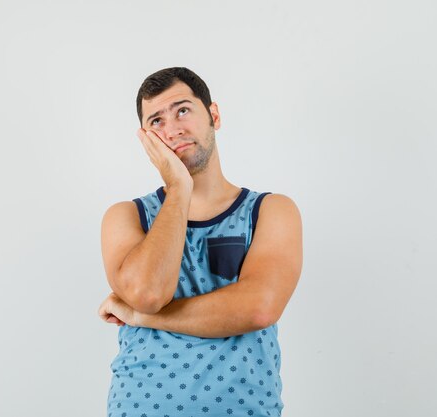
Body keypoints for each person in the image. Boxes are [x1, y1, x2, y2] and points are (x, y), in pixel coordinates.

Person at [98, 67, 303, 417]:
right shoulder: (126, 217)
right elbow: (148, 293)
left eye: (182, 110)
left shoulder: (272, 210)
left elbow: (259, 308)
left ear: (214, 115)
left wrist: (144, 318)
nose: (173, 128)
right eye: (157, 121)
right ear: (146, 139)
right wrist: (179, 188)